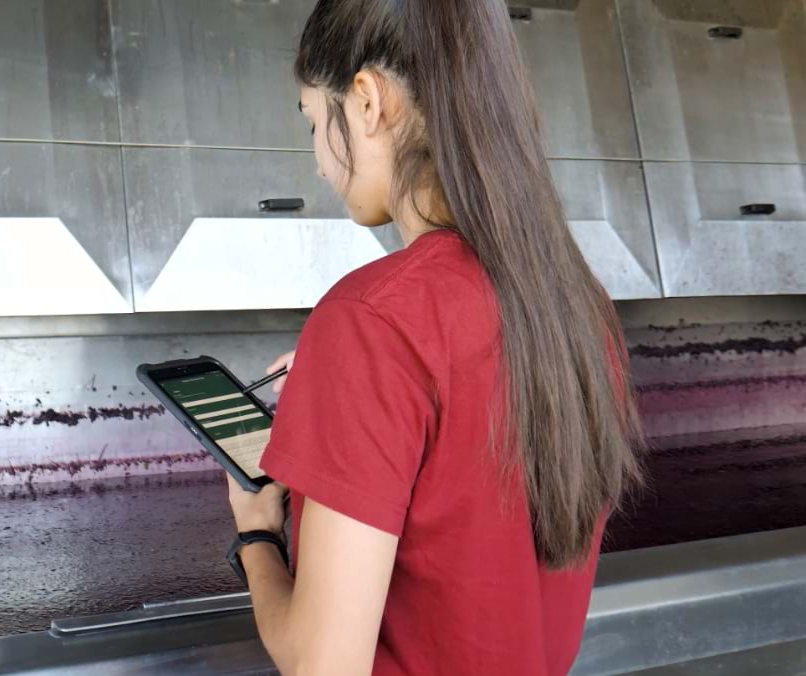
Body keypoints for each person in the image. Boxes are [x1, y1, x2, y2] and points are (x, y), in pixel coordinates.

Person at [223, 1, 646, 674]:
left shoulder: (371, 318)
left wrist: (255, 532)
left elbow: (322, 665)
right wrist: (350, 400)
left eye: (311, 122)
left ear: (366, 101)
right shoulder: (577, 306)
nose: (317, 165)